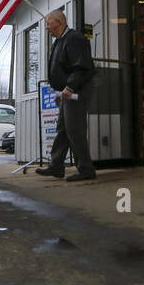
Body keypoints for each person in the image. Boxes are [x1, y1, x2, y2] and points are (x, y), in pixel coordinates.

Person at [36, 9, 97, 181]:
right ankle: (56, 166)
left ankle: (86, 169)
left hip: (77, 90)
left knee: (74, 129)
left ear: (59, 22)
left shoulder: (74, 39)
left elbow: (81, 66)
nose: (47, 27)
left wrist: (70, 87)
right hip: (67, 91)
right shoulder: (59, 41)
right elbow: (64, 68)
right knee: (63, 128)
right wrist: (59, 92)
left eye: (49, 23)